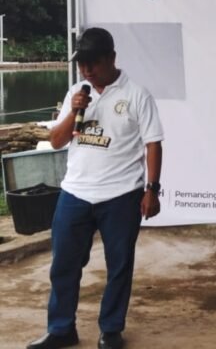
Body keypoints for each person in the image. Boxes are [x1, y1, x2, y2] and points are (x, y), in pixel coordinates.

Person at [27, 27, 164, 349]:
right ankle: (61, 329)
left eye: (93, 62)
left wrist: (152, 189)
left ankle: (111, 329)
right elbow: (56, 141)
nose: (87, 70)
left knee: (119, 266)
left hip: (121, 194)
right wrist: (75, 110)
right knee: (64, 265)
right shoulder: (77, 92)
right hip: (75, 192)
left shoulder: (137, 94)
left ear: (111, 58)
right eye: (82, 63)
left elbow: (153, 143)